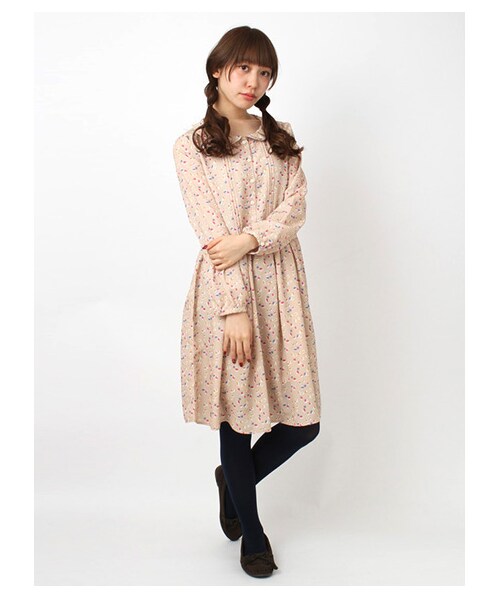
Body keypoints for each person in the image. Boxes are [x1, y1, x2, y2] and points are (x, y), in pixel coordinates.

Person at [172, 26, 321, 578]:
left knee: (303, 424)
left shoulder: (280, 138)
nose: (253, 81)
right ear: (218, 70)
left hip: (282, 285)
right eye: (243, 69)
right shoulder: (192, 145)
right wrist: (233, 308)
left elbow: (295, 209)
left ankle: (233, 482)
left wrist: (252, 238)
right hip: (226, 290)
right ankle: (252, 534)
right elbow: (211, 230)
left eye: (264, 73)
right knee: (237, 419)